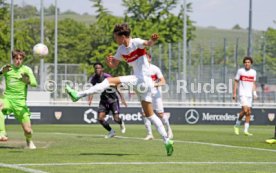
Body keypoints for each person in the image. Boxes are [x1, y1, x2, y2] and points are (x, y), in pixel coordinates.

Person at [66, 23, 174, 156]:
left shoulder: (136, 42)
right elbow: (113, 65)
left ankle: (78, 94)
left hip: (142, 80)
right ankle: (167, 140)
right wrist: (109, 62)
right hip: (143, 84)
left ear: (123, 36)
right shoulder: (121, 49)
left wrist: (153, 40)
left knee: (109, 81)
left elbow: (148, 43)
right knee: (150, 115)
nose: (115, 39)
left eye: (116, 37)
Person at [0, 50, 37, 149]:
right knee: (0, 104)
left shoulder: (26, 70)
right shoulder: (7, 69)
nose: (18, 61)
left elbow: (34, 83)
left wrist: (27, 81)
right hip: (8, 99)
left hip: (20, 103)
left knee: (28, 130)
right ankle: (2, 133)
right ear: (13, 59)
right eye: (16, 58)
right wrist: (0, 73)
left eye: (21, 59)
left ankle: (29, 141)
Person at [88, 62, 127, 138]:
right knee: (100, 118)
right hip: (103, 100)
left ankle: (121, 122)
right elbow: (93, 89)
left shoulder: (107, 76)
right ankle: (111, 131)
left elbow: (117, 86)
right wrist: (90, 99)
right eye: (96, 68)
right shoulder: (94, 79)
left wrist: (122, 98)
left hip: (113, 100)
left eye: (99, 68)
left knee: (116, 119)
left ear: (102, 69)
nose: (97, 69)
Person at [143, 53, 173, 140]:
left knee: (160, 114)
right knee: (145, 114)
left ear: (150, 59)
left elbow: (163, 82)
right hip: (145, 94)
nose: (144, 60)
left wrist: (153, 84)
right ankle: (149, 134)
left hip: (156, 95)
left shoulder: (155, 69)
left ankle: (169, 129)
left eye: (146, 58)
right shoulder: (140, 70)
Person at [233, 56, 257, 136]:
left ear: (251, 63)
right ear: (244, 63)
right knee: (246, 110)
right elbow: (236, 82)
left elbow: (253, 83)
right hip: (242, 93)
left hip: (249, 95)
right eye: (246, 62)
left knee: (248, 113)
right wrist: (234, 93)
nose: (247, 64)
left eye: (248, 62)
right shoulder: (240, 71)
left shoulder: (253, 72)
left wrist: (254, 93)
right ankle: (237, 125)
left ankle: (246, 130)